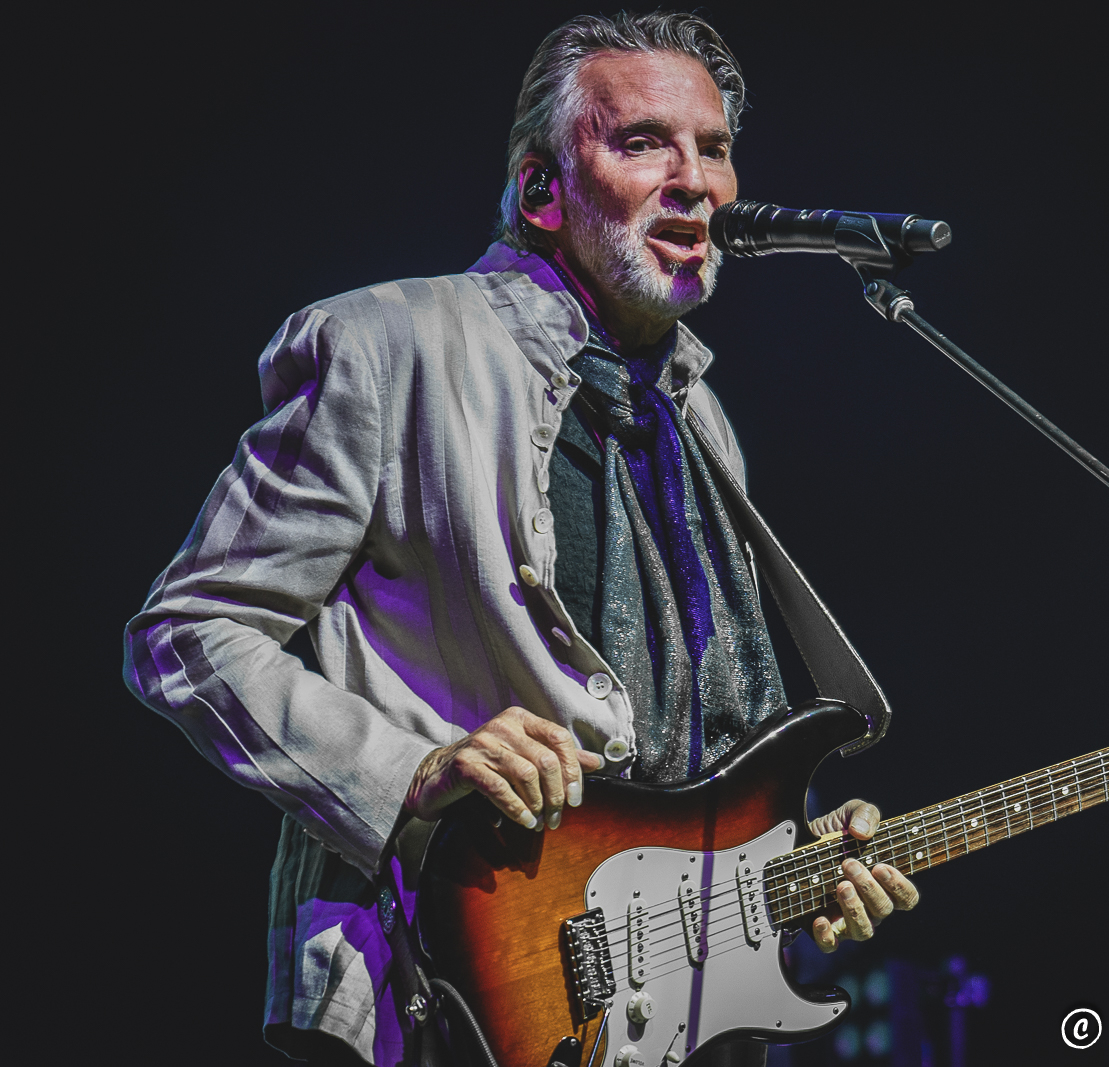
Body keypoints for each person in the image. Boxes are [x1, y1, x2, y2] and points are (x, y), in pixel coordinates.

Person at [123, 11, 917, 1067]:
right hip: (452, 994)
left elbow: (697, 745)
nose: (698, 180)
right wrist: (411, 769)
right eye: (642, 141)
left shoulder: (700, 417)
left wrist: (795, 857)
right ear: (543, 190)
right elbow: (185, 632)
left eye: (715, 148)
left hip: (672, 1017)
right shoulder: (390, 345)